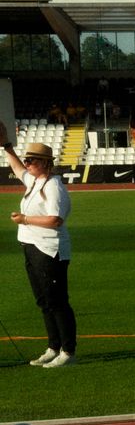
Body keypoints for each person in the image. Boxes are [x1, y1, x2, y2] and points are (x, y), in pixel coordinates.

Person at [1, 121, 76, 368]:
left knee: (57, 301)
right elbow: (17, 167)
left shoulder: (53, 186)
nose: (28, 164)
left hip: (49, 250)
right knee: (44, 301)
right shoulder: (34, 181)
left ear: (45, 163)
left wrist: (25, 219)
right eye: (28, 160)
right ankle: (53, 347)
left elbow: (55, 220)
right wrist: (6, 146)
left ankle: (67, 351)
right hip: (32, 248)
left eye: (32, 160)